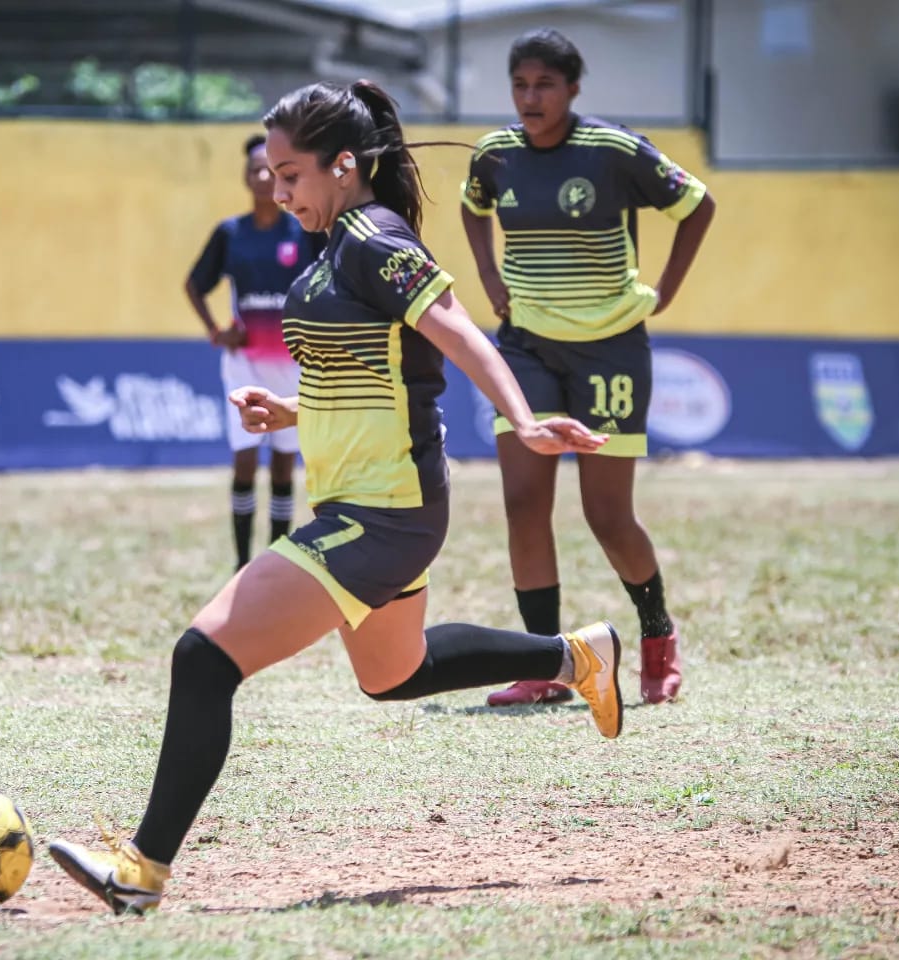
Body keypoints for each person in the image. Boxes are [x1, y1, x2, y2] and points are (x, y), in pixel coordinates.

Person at [48, 80, 622, 916]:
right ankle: (576, 657)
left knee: (203, 659)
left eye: (291, 174)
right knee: (396, 674)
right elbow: (370, 374)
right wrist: (289, 408)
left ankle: (141, 870)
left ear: (344, 165)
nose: (278, 192)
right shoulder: (332, 243)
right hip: (365, 503)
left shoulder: (373, 237)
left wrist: (523, 417)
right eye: (272, 176)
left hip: (384, 513)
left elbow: (457, 328)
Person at [460, 29, 716, 708]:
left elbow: (698, 206)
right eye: (520, 84)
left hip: (610, 347)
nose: (530, 97)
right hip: (526, 347)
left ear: (574, 88)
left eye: (545, 84)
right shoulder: (496, 154)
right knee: (522, 504)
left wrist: (667, 287)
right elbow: (471, 204)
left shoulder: (614, 151)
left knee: (606, 514)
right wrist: (487, 272)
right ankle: (549, 665)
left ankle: (657, 634)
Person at [185, 135, 323, 570]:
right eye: (254, 170)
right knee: (245, 462)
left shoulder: (304, 230)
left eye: (272, 169)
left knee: (284, 465)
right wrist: (215, 331)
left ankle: (275, 562)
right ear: (244, 177)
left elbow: (328, 282)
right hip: (243, 364)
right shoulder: (231, 233)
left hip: (292, 365)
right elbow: (195, 284)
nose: (263, 177)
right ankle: (242, 564)